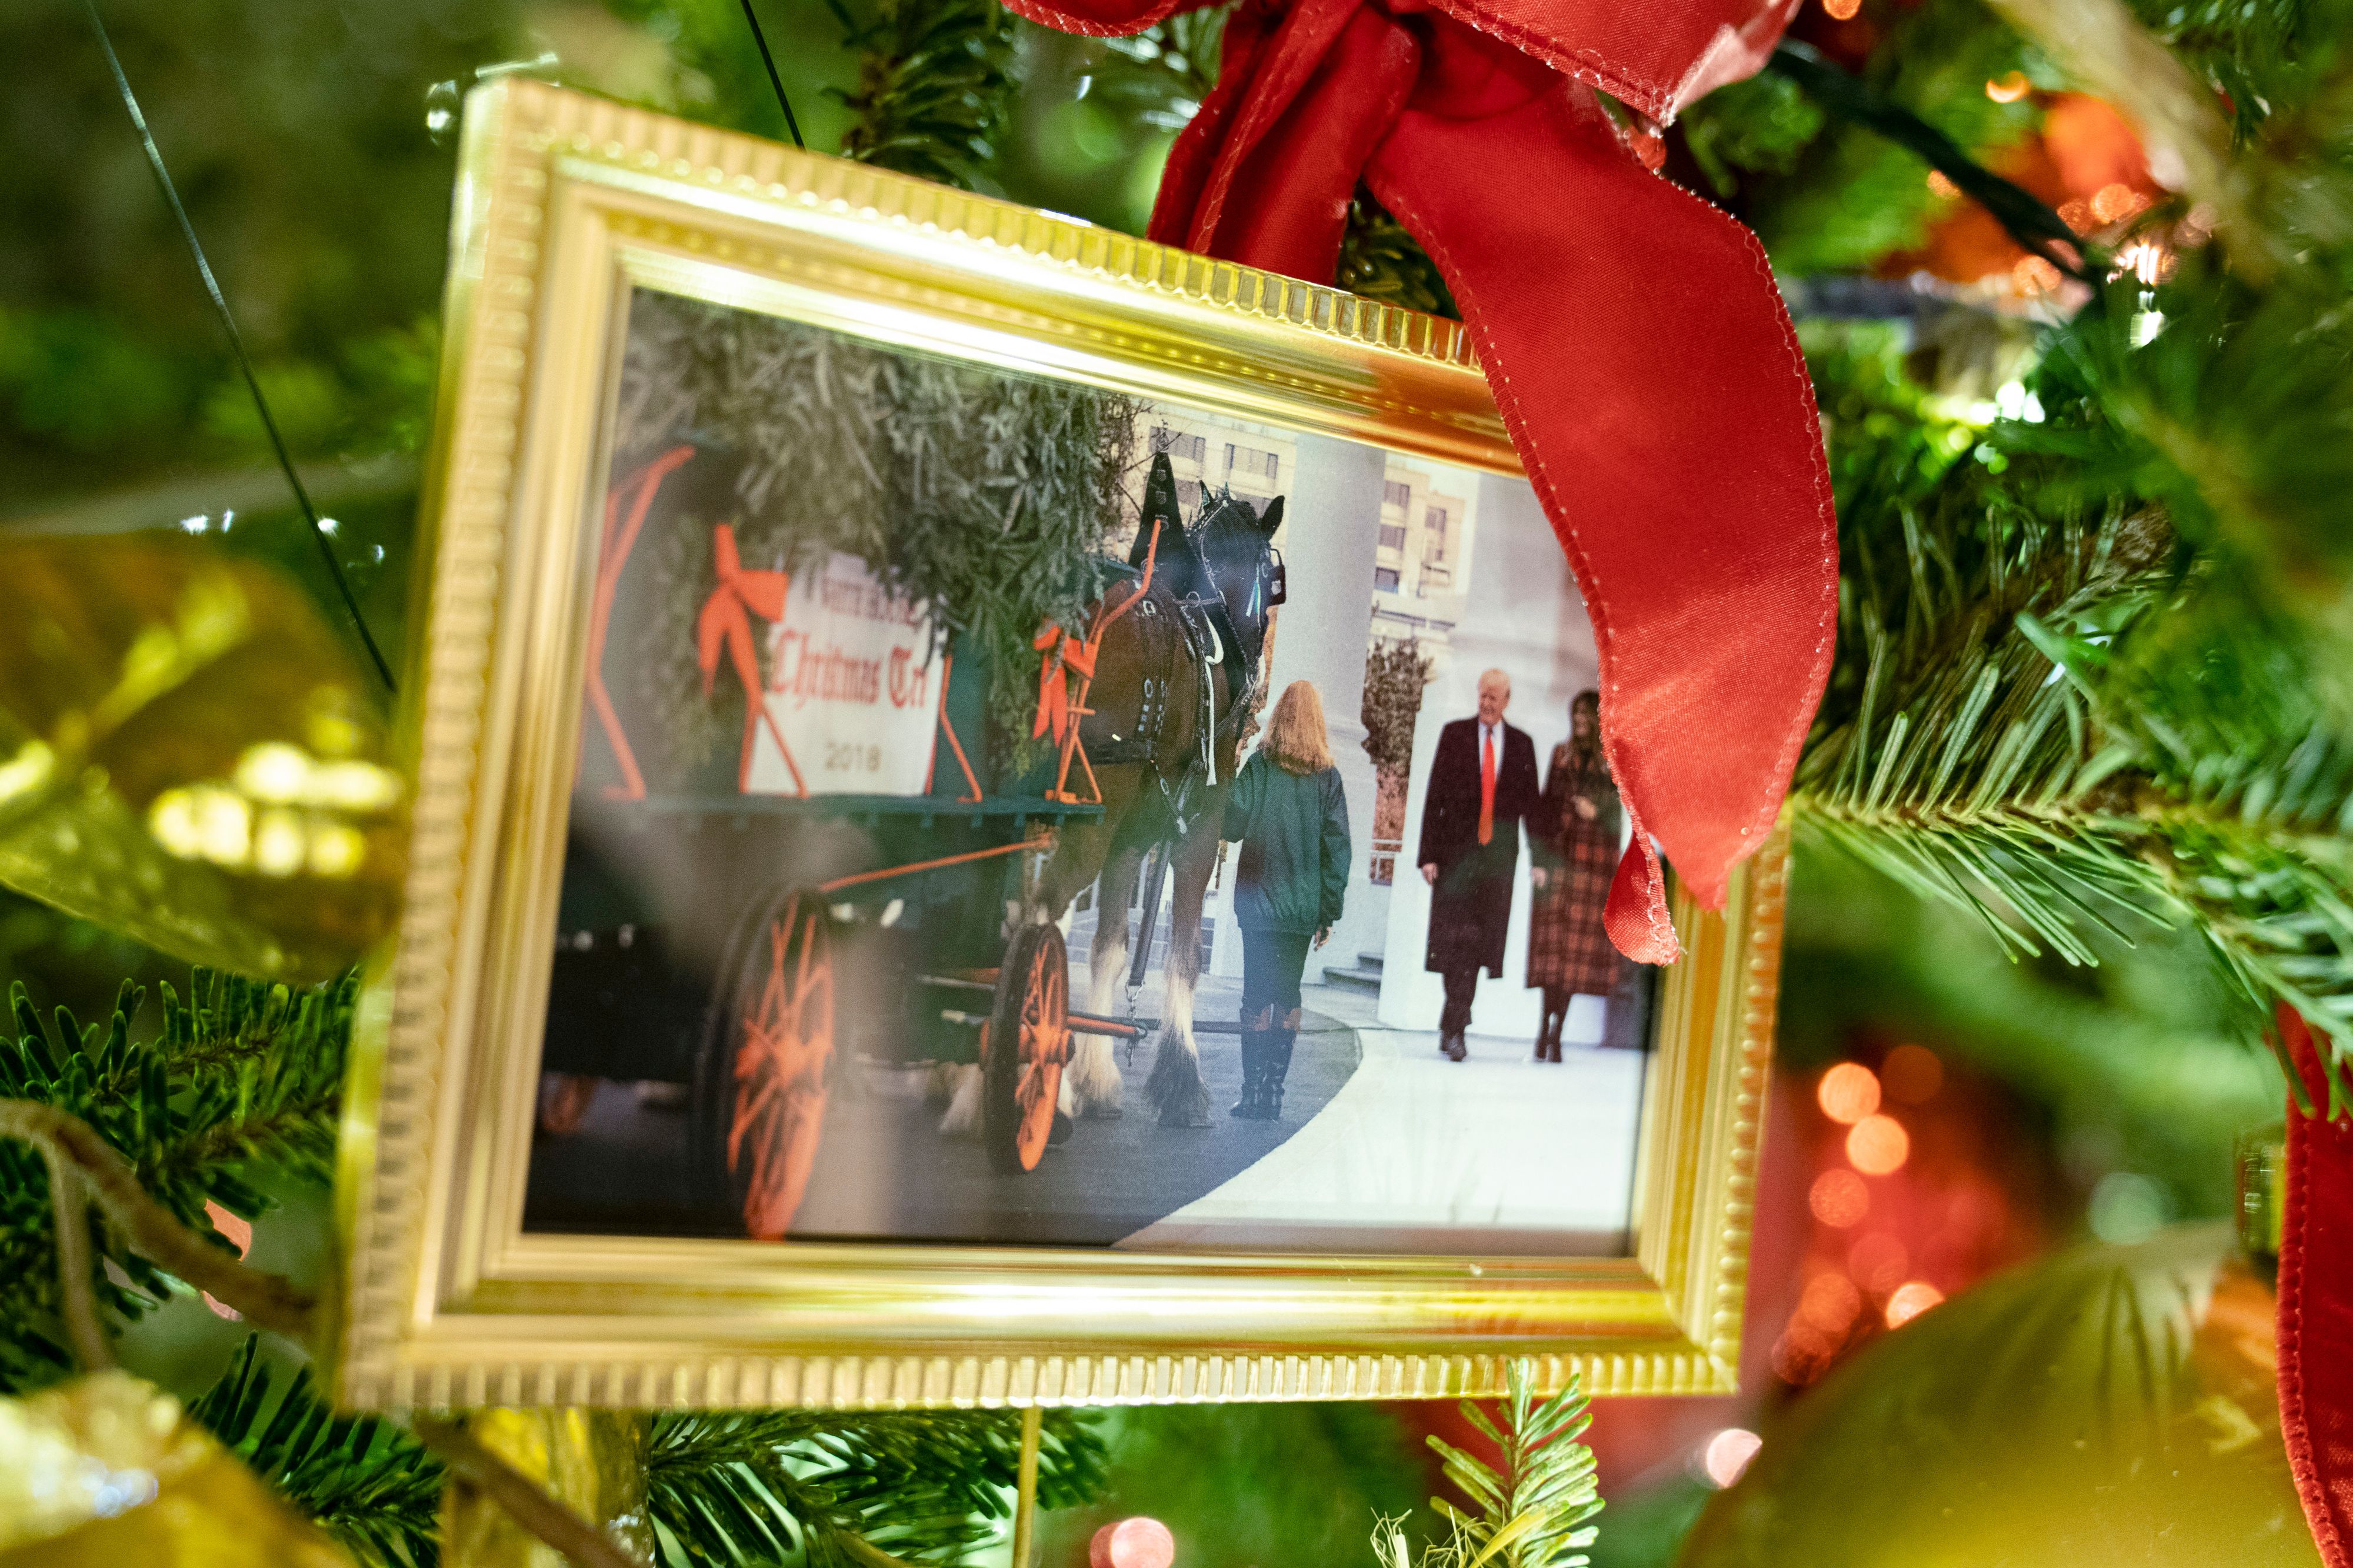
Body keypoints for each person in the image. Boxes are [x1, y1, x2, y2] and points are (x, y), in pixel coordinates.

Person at [1221, 680, 1351, 1120]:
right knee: (1287, 995)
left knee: (1256, 995)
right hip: (1300, 911)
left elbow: (1232, 824)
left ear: (1278, 716)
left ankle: (1252, 1091)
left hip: (1257, 907)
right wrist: (1328, 912)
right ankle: (1274, 1092)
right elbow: (1338, 850)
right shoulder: (1328, 779)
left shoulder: (1261, 766)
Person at [1417, 669, 1541, 1060]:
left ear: (1507, 701)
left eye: (1494, 698)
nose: (1486, 704)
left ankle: (1453, 1020)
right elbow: (1434, 793)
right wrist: (1428, 855)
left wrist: (1539, 862)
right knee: (1456, 943)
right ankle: (1456, 1027)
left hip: (1496, 865)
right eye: (1482, 696)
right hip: (1455, 860)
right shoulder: (1455, 735)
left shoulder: (1521, 746)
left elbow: (1532, 810)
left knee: (1476, 944)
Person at [1527, 690, 1624, 1062]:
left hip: (1591, 867)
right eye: (1576, 713)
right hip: (1558, 860)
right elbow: (1545, 807)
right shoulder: (1560, 755)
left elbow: (1621, 815)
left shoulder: (1611, 764)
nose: (1580, 719)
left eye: (1587, 714)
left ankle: (1556, 1035)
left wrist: (1596, 810)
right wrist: (1538, 860)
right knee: (1550, 952)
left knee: (1571, 959)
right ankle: (1542, 1028)